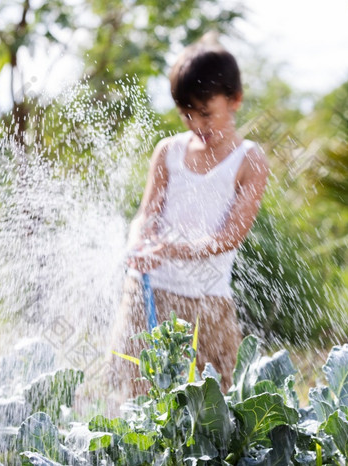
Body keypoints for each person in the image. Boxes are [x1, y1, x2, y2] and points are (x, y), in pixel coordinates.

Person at [106, 37, 270, 403]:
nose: (196, 123)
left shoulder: (249, 160)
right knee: (141, 399)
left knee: (216, 403)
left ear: (235, 100)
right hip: (149, 291)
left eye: (206, 113)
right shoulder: (169, 152)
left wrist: (172, 249)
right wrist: (138, 244)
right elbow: (146, 215)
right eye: (186, 114)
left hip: (207, 302)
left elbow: (230, 237)